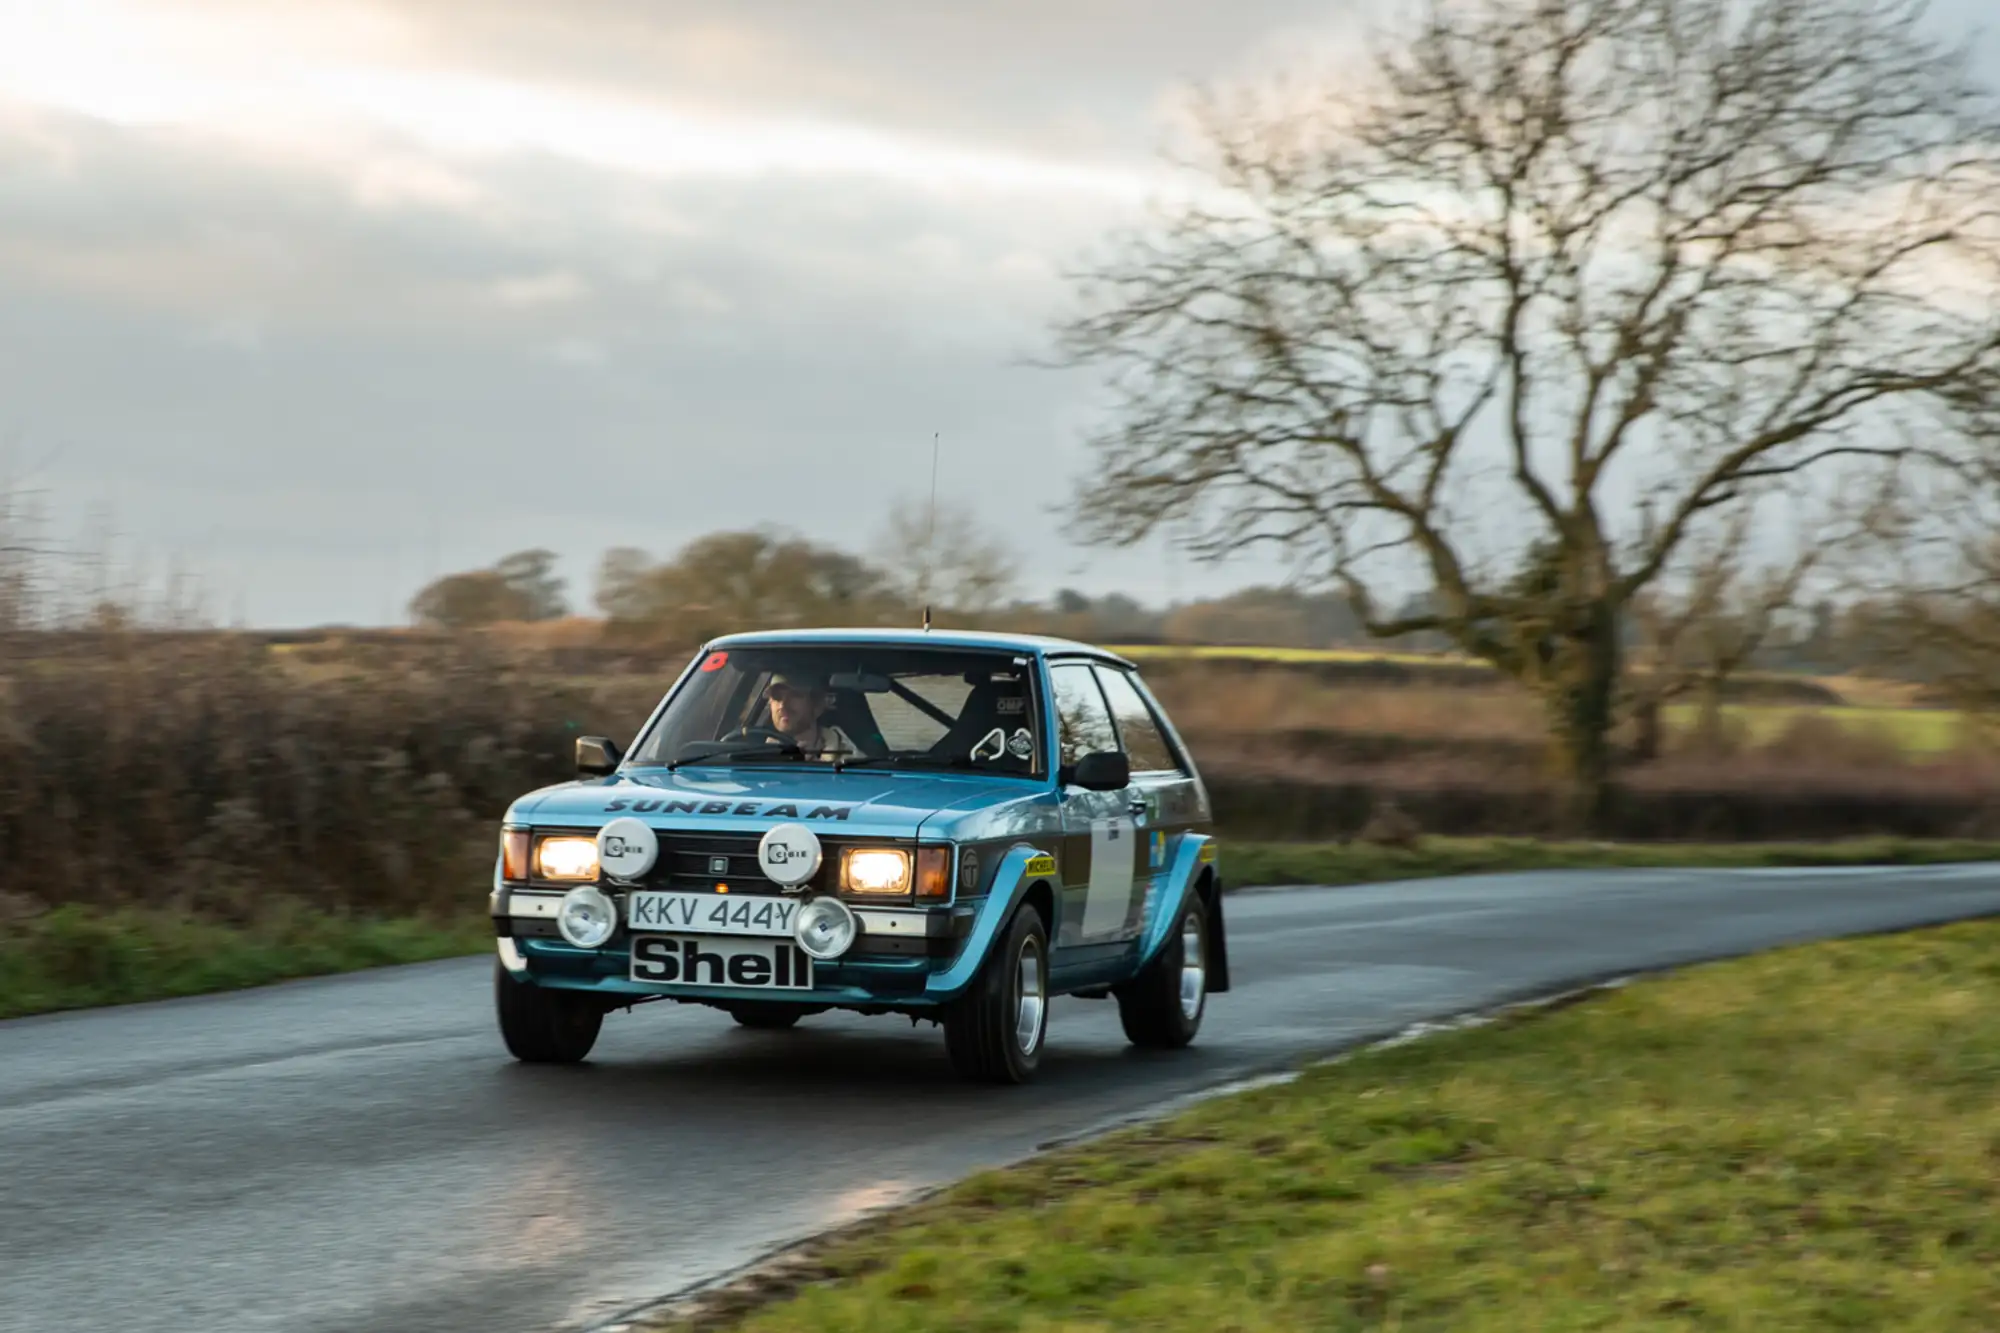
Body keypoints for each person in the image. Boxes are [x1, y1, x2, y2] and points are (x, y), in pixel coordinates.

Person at [763, 669, 862, 762]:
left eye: (795, 695)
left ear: (817, 705)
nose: (783, 705)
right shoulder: (757, 754)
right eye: (777, 697)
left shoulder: (848, 758)